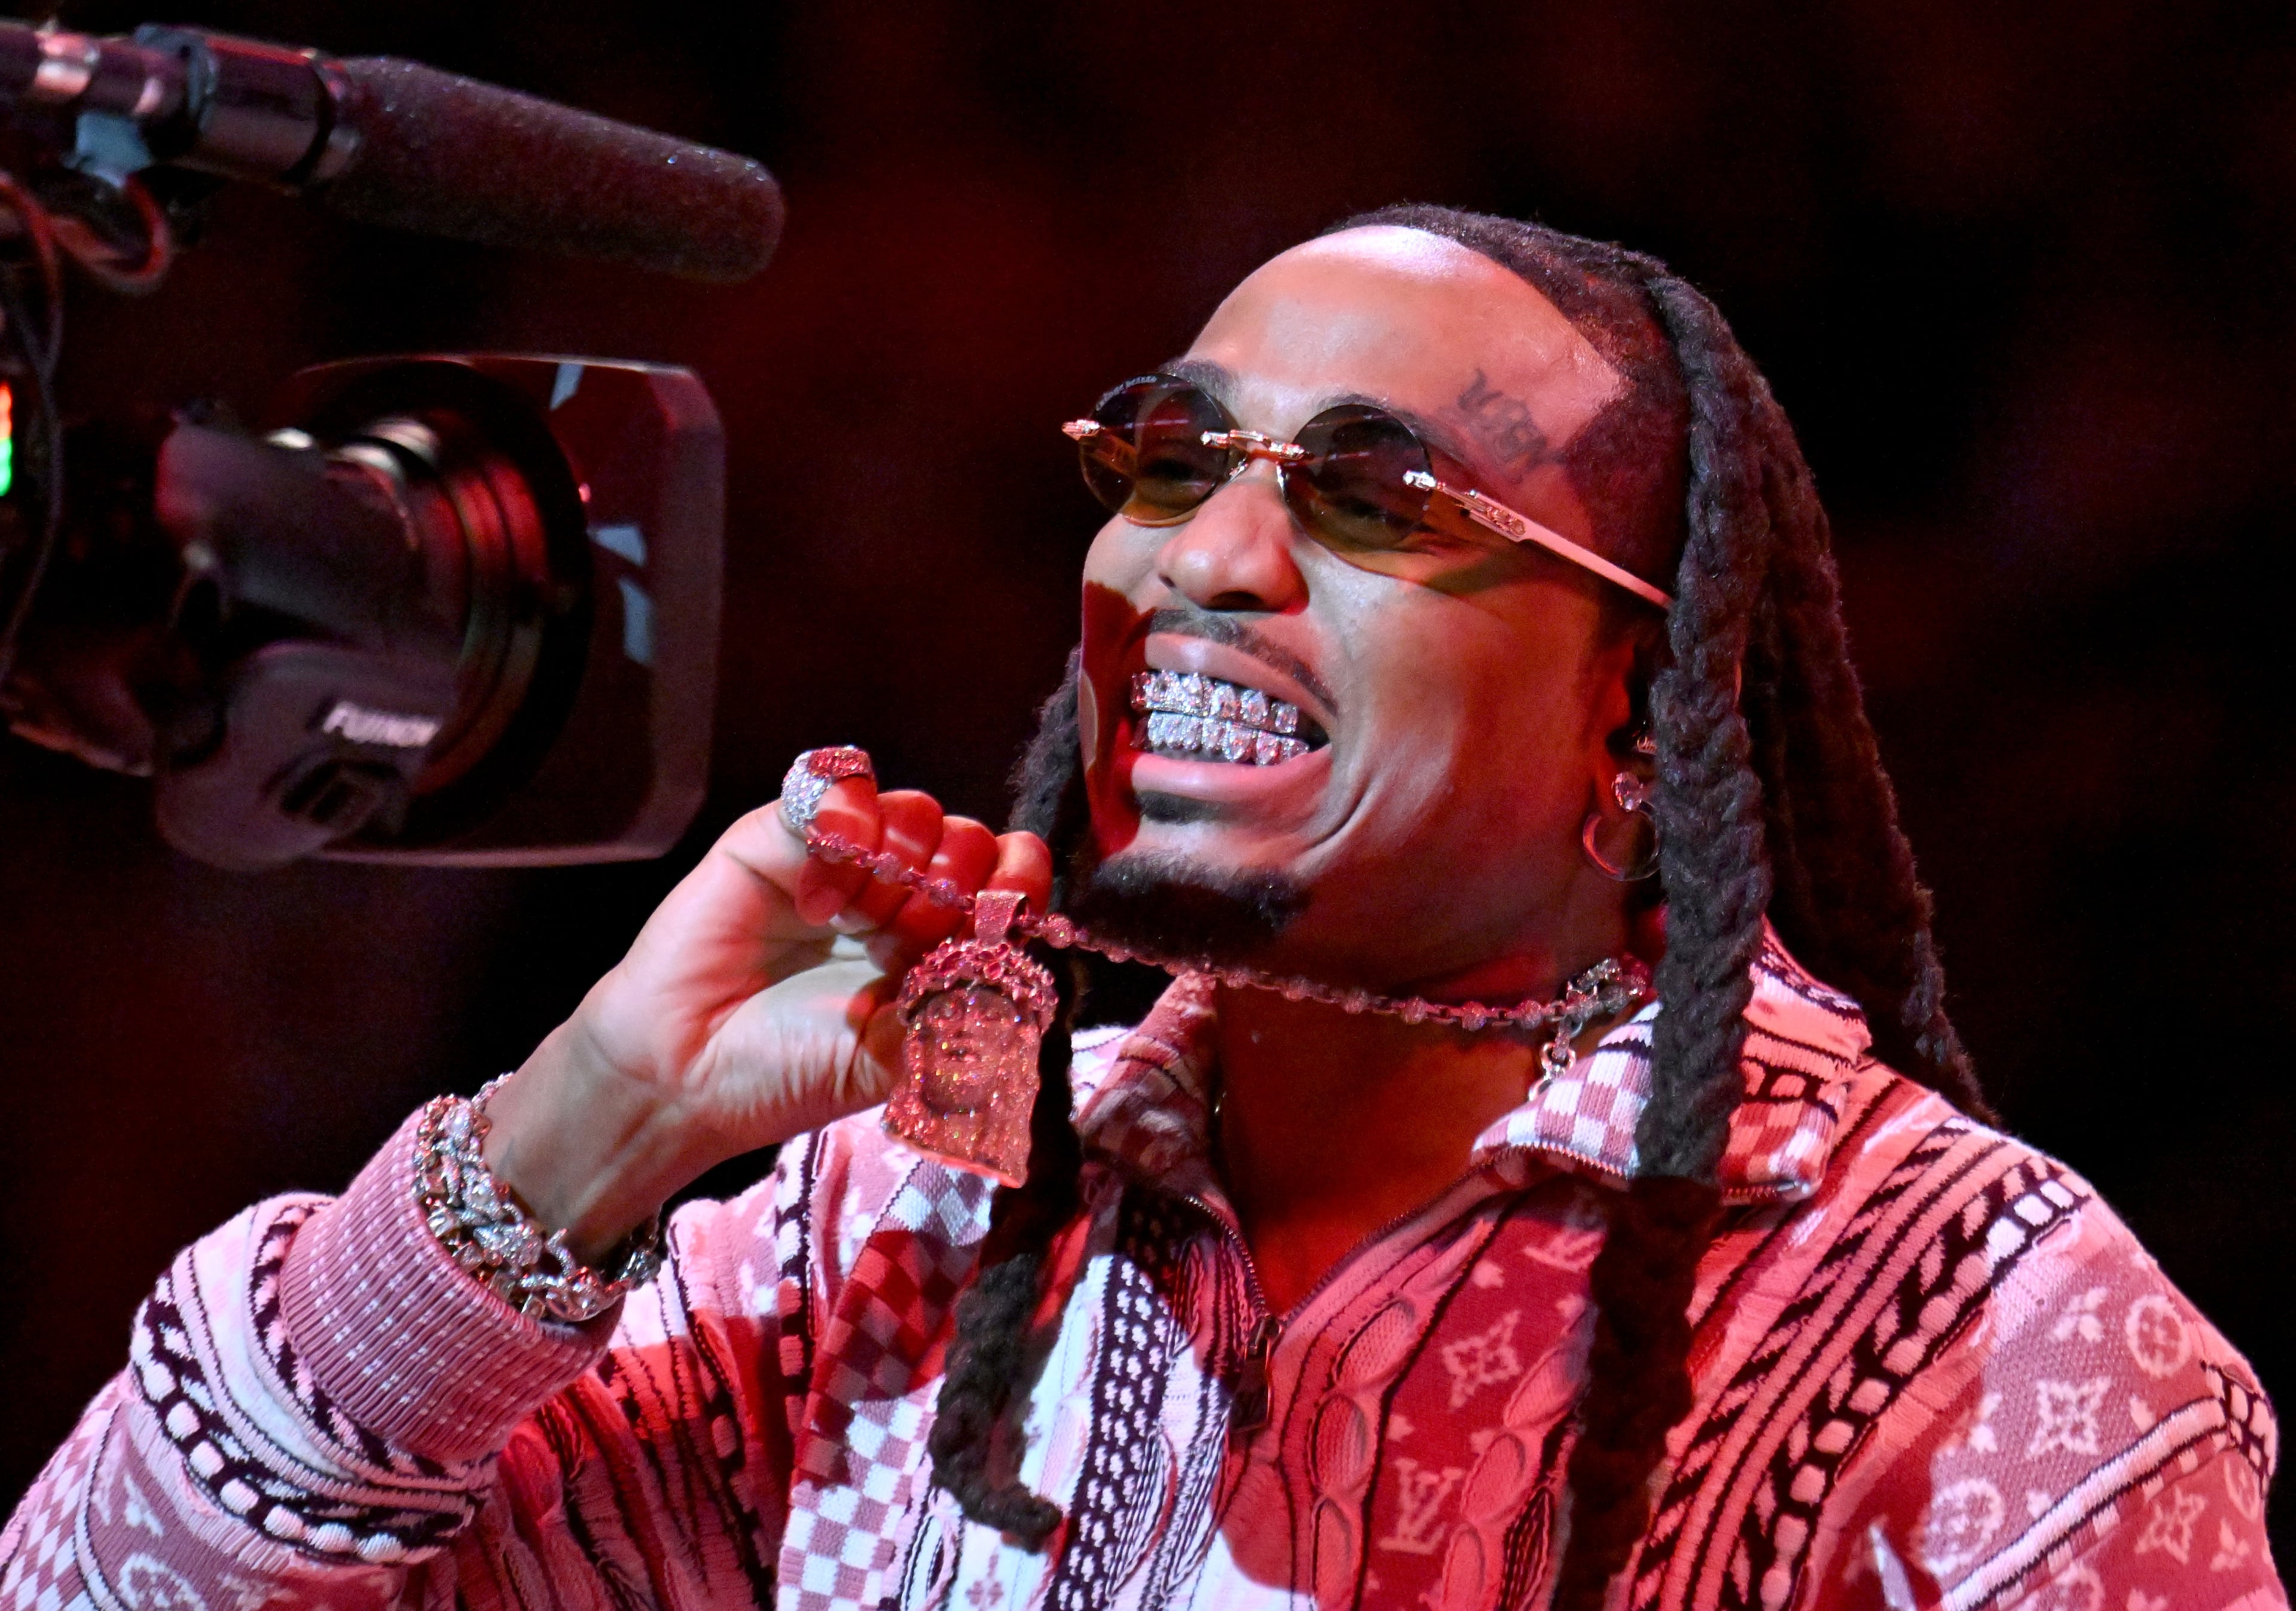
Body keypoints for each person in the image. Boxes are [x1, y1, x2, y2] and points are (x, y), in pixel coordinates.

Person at [2, 208, 2281, 1611]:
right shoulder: (887, 1239)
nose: (1204, 554)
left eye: (1378, 495)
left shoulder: (1969, 1325)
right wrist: (588, 1123)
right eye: (1171, 459)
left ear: (1638, 710)